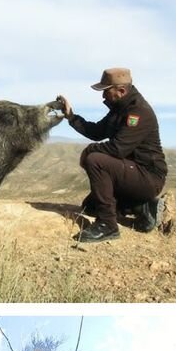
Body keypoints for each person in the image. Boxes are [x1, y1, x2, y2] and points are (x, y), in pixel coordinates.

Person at [59, 67, 168, 243]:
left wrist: (88, 151)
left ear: (121, 91)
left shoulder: (139, 112)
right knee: (90, 207)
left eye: (106, 91)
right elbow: (96, 132)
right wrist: (71, 117)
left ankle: (108, 226)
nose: (103, 97)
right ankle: (140, 205)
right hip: (130, 174)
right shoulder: (119, 109)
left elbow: (118, 149)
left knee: (95, 160)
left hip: (148, 178)